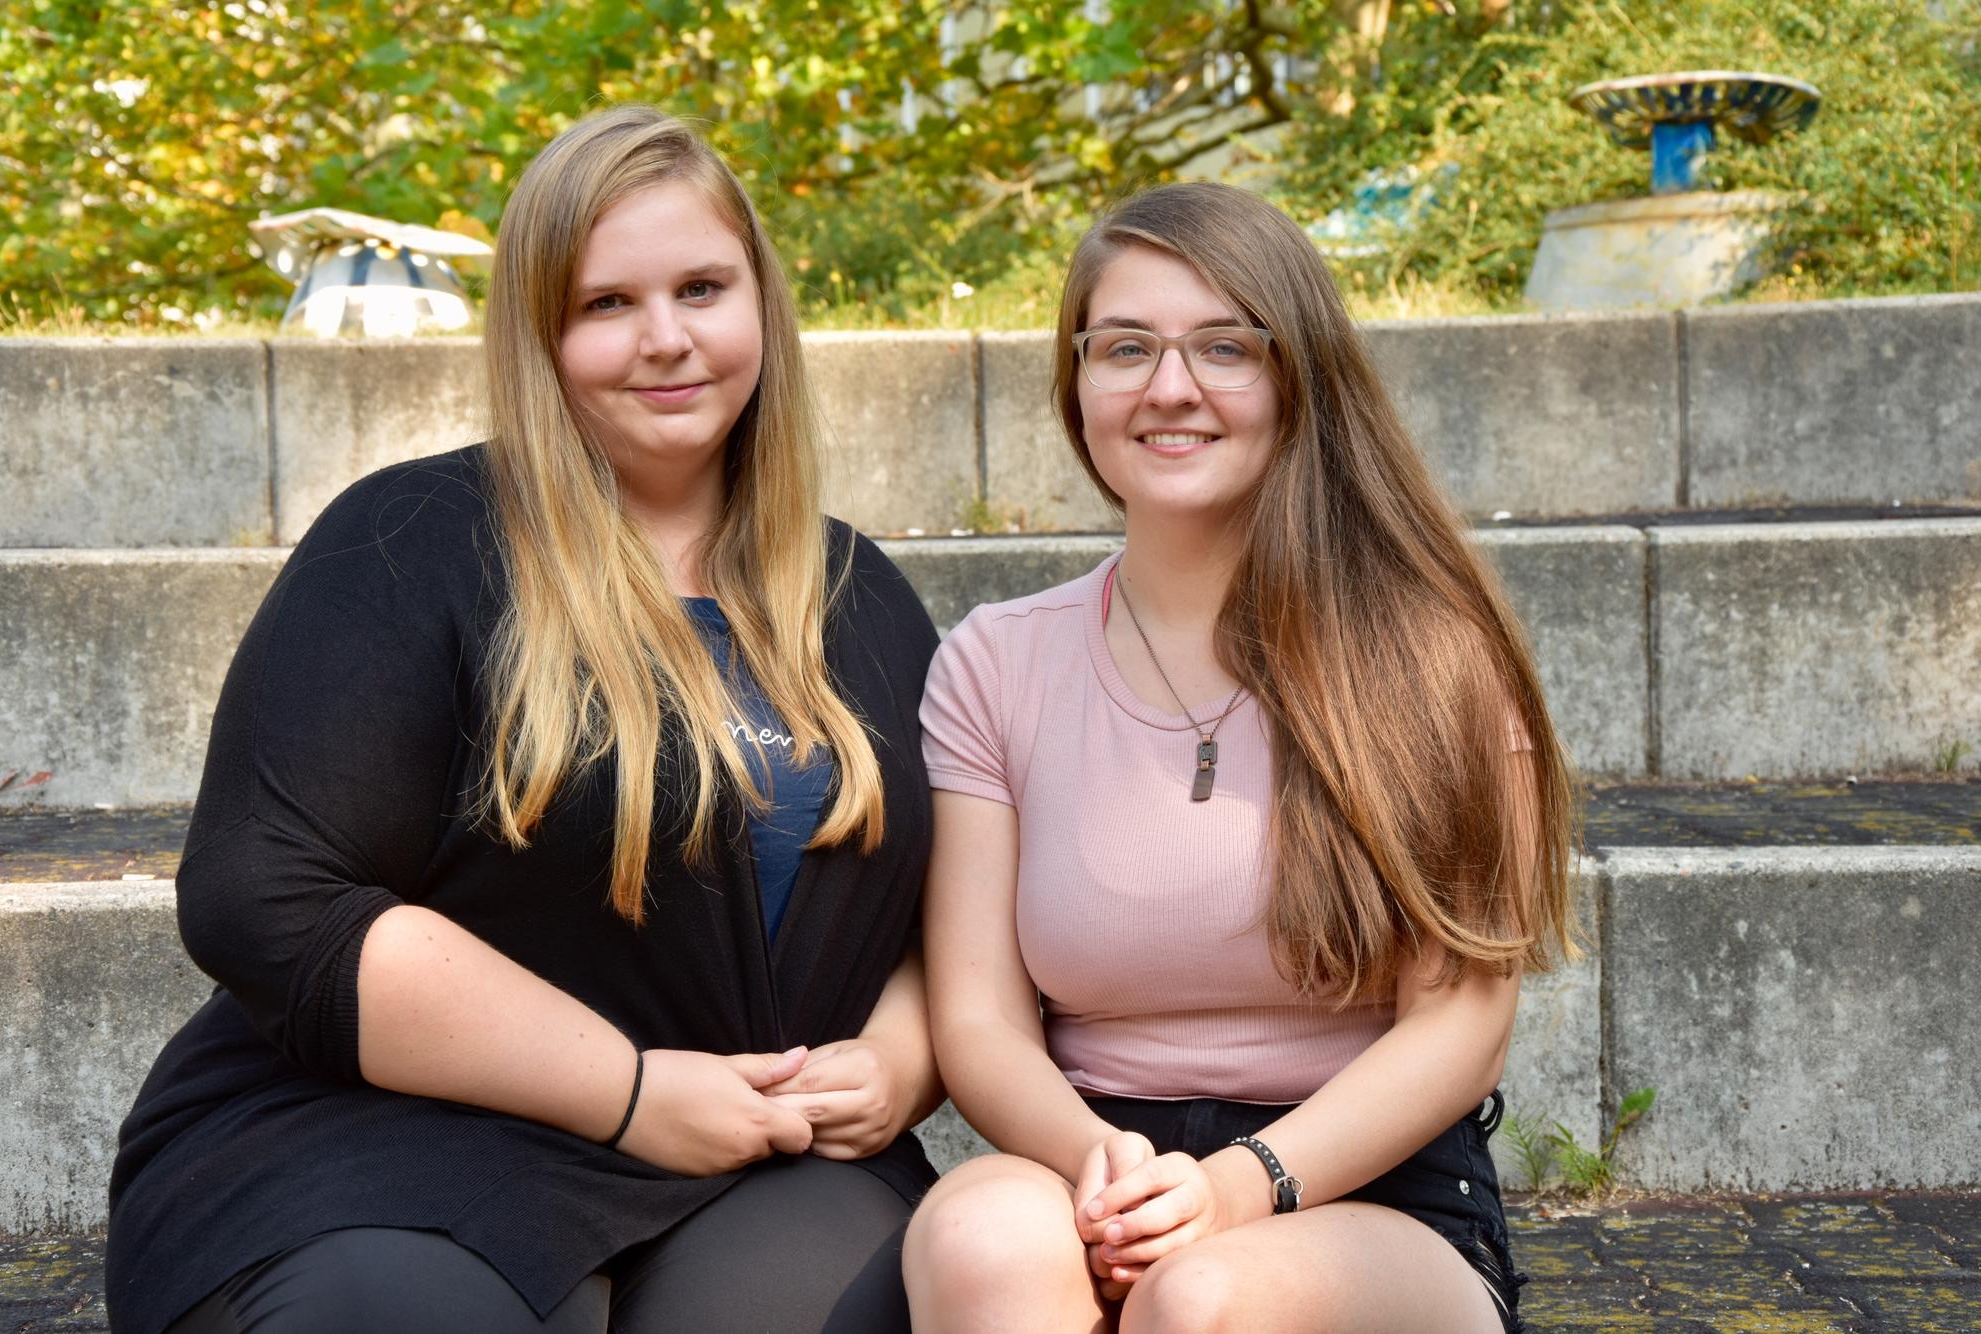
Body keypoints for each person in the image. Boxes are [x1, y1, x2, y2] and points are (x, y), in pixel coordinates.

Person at [106, 104, 943, 1334]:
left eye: (702, 287)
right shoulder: (410, 541)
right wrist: (625, 1088)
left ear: (758, 302)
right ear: (538, 335)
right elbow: (265, 893)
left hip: (757, 1154)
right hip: (384, 1135)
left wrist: (904, 1057)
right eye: (606, 304)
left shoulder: (855, 591)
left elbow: (954, 898)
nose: (666, 338)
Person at [903, 181, 1576, 1333]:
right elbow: (975, 1019)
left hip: (1367, 1188)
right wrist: (1110, 1171)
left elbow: (1459, 1023)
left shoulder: (1434, 658)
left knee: (1203, 1299)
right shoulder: (994, 662)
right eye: (1124, 346)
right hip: (1096, 1165)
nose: (1169, 386)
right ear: (1077, 382)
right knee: (977, 1240)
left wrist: (1234, 1185)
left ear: (1294, 374)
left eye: (1223, 344)